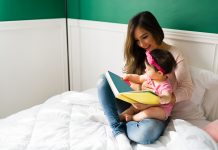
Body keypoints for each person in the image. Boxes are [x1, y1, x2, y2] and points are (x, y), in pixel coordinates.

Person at [97, 11, 193, 150]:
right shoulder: (141, 53)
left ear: (155, 31)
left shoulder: (174, 54)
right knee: (103, 80)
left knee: (145, 135)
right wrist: (139, 88)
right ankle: (119, 132)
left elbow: (187, 89)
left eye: (145, 37)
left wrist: (163, 98)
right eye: (137, 40)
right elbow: (135, 80)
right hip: (133, 102)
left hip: (155, 109)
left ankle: (121, 120)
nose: (141, 44)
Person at [119, 49, 177, 122]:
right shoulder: (149, 76)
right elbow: (138, 78)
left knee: (150, 112)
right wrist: (128, 76)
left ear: (159, 73)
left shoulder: (165, 85)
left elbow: (167, 96)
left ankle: (133, 118)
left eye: (148, 69)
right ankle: (120, 117)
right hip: (145, 103)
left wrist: (164, 98)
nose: (145, 70)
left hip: (160, 109)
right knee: (133, 108)